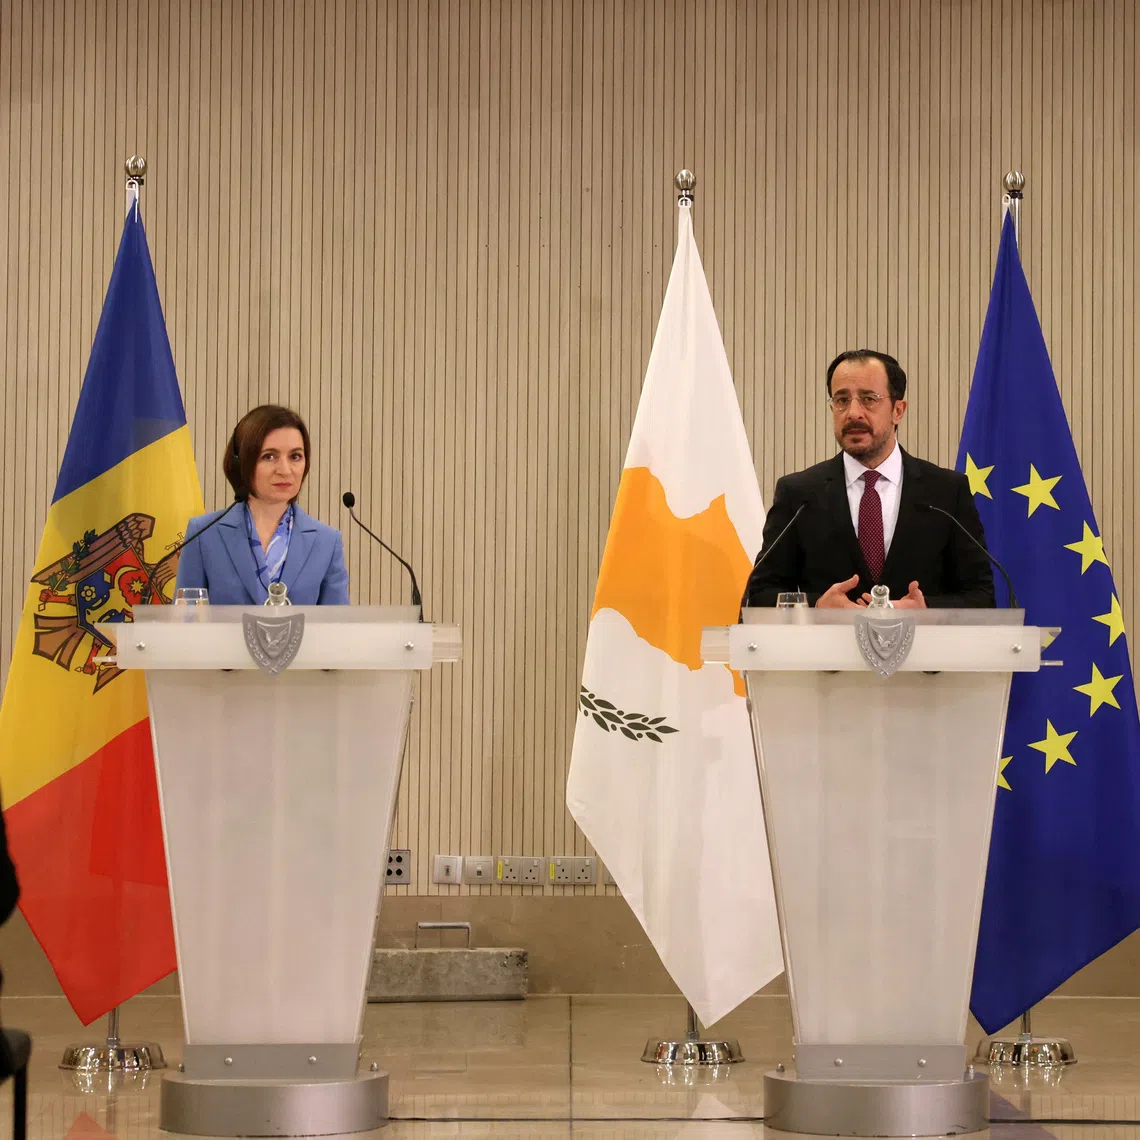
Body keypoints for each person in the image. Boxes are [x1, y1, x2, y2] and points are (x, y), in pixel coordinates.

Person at [744, 350, 995, 609]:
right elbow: (760, 593)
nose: (853, 412)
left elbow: (982, 595)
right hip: (827, 648)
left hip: (923, 647)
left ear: (898, 410)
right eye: (842, 400)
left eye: (868, 399)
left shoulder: (945, 492)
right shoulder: (799, 494)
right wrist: (817, 606)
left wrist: (926, 610)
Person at [174, 405, 350, 605]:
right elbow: (185, 624)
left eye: (295, 456)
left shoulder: (327, 542)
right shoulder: (203, 534)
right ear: (242, 462)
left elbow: (337, 628)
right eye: (269, 456)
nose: (285, 470)